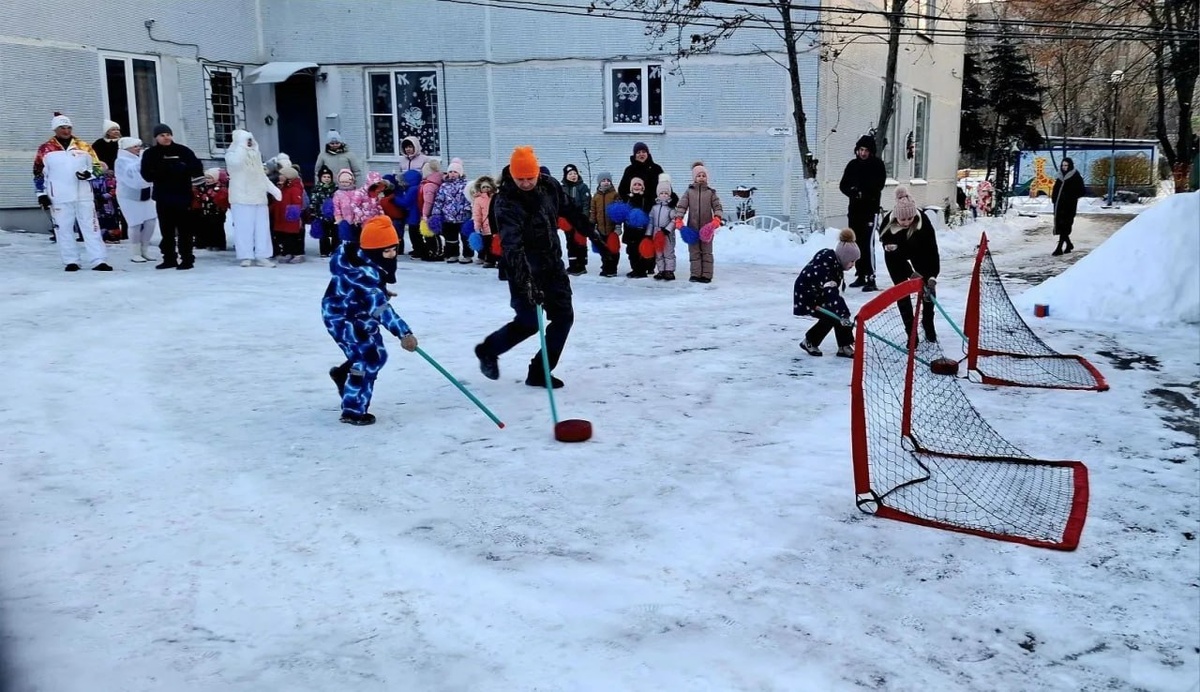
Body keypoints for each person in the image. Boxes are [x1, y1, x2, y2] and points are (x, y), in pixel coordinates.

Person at [474, 146, 594, 389]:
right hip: (521, 267)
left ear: (538, 173)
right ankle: (488, 350)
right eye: (521, 179)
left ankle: (540, 371)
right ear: (513, 176)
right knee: (529, 321)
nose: (526, 183)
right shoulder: (505, 200)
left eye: (530, 177)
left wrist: (592, 232)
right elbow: (513, 247)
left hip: (551, 265)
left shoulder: (549, 186)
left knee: (564, 317)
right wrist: (528, 284)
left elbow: (570, 209)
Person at [323, 216, 418, 426]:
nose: (392, 255)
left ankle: (343, 374)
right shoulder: (362, 275)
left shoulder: (363, 259)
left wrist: (380, 290)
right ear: (373, 251)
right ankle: (352, 410)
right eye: (386, 251)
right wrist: (404, 333)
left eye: (394, 249)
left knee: (377, 356)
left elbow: (370, 290)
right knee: (366, 361)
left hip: (360, 314)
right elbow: (381, 309)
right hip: (342, 318)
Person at [32, 112, 111, 271]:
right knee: (64, 229)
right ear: (55, 129)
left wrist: (88, 175)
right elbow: (38, 172)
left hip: (84, 195)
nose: (66, 131)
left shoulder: (84, 146)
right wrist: (41, 194)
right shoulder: (46, 149)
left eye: (68, 127)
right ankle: (71, 260)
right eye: (62, 127)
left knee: (91, 227)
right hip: (59, 197)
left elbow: (98, 167)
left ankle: (98, 260)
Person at [879, 185, 940, 343]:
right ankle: (911, 332)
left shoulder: (923, 224)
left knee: (928, 288)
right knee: (902, 291)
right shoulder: (887, 229)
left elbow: (932, 252)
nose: (906, 222)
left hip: (919, 251)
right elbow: (895, 259)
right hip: (896, 256)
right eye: (902, 219)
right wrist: (910, 274)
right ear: (896, 217)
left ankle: (928, 323)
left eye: (909, 219)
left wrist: (932, 277)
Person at [139, 123, 203, 270]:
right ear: (156, 137)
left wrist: (183, 169)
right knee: (166, 230)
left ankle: (187, 259)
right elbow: (146, 175)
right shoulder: (151, 154)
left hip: (182, 196)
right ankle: (169, 258)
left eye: (168, 134)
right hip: (163, 197)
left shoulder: (183, 151)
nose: (166, 137)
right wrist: (164, 170)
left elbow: (197, 168)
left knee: (184, 230)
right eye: (162, 135)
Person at [794, 229, 861, 358]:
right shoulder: (828, 269)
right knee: (833, 316)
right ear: (843, 258)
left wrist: (843, 314)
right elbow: (831, 294)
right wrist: (844, 315)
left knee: (838, 314)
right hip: (808, 296)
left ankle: (844, 346)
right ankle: (810, 341)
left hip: (818, 293)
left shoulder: (834, 264)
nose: (853, 265)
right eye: (852, 261)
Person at [225, 129, 282, 267]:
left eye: (250, 139)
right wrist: (241, 146)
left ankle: (263, 255)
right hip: (241, 197)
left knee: (262, 229)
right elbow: (236, 163)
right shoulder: (232, 154)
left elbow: (261, 176)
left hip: (259, 197)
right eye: (246, 140)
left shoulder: (255, 155)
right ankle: (246, 256)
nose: (249, 143)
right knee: (244, 228)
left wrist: (273, 190)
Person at [838, 134, 887, 292]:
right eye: (861, 150)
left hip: (870, 211)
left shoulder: (877, 165)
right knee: (856, 243)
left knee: (868, 244)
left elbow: (878, 185)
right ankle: (860, 274)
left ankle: (871, 277)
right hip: (854, 211)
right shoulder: (852, 165)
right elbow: (843, 185)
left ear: (871, 151)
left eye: (866, 150)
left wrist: (864, 193)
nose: (863, 153)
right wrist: (853, 192)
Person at [674, 162, 724, 283]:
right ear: (694, 178)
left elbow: (718, 207)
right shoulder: (689, 192)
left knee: (707, 251)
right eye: (698, 175)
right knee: (694, 251)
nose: (701, 177)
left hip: (708, 228)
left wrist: (717, 218)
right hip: (693, 227)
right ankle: (695, 274)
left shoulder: (711, 192)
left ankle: (706, 275)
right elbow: (681, 206)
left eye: (703, 175)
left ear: (707, 177)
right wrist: (679, 219)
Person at [114, 137, 157, 263]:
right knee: (135, 223)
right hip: (129, 196)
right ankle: (135, 252)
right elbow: (132, 175)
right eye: (135, 146)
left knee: (150, 222)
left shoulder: (140, 159)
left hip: (145, 195)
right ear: (127, 148)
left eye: (139, 146)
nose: (139, 149)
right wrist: (143, 161)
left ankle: (145, 249)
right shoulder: (121, 161)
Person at [432, 157, 472, 263]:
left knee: (465, 236)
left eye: (455, 172)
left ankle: (467, 255)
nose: (453, 174)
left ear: (460, 173)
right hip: (448, 216)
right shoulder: (444, 186)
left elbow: (469, 199)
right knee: (451, 238)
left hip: (462, 216)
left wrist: (468, 210)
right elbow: (439, 200)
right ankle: (453, 254)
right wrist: (436, 213)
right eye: (450, 171)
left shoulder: (465, 185)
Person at [270, 165, 307, 262]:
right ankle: (287, 252)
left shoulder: (294, 189)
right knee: (283, 237)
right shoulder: (283, 188)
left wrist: (292, 218)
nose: (279, 177)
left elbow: (297, 203)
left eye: (282, 175)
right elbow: (277, 201)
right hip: (281, 217)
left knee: (291, 236)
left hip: (289, 218)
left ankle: (296, 253)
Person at [561, 164, 592, 275]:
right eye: (570, 174)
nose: (573, 176)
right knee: (570, 242)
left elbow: (586, 203)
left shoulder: (582, 187)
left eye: (575, 173)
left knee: (580, 241)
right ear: (566, 176)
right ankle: (573, 264)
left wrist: (584, 217)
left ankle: (581, 265)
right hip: (568, 220)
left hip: (579, 218)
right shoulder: (562, 188)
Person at [1051, 157, 1085, 256]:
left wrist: (1071, 196)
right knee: (1061, 225)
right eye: (1062, 165)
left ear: (1070, 166)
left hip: (1069, 206)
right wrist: (1054, 199)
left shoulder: (1075, 176)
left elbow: (1081, 191)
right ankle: (1069, 244)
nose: (1064, 167)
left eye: (1066, 165)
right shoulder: (1060, 176)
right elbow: (1056, 189)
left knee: (1066, 225)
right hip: (1059, 206)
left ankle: (1059, 248)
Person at [590, 171, 620, 277]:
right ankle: (606, 266)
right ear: (599, 183)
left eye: (608, 180)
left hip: (612, 228)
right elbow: (593, 211)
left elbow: (618, 212)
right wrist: (592, 224)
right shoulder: (596, 196)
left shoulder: (615, 195)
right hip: (601, 228)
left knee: (613, 249)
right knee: (603, 249)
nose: (606, 182)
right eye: (603, 180)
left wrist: (617, 226)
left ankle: (612, 268)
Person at [650, 178, 677, 281]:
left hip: (667, 235)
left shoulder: (671, 208)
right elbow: (651, 220)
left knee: (668, 253)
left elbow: (674, 220)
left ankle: (669, 271)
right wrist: (649, 233)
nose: (664, 195)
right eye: (662, 193)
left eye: (666, 193)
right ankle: (661, 270)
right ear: (658, 194)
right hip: (656, 234)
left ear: (669, 194)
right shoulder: (654, 208)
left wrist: (668, 229)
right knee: (658, 253)